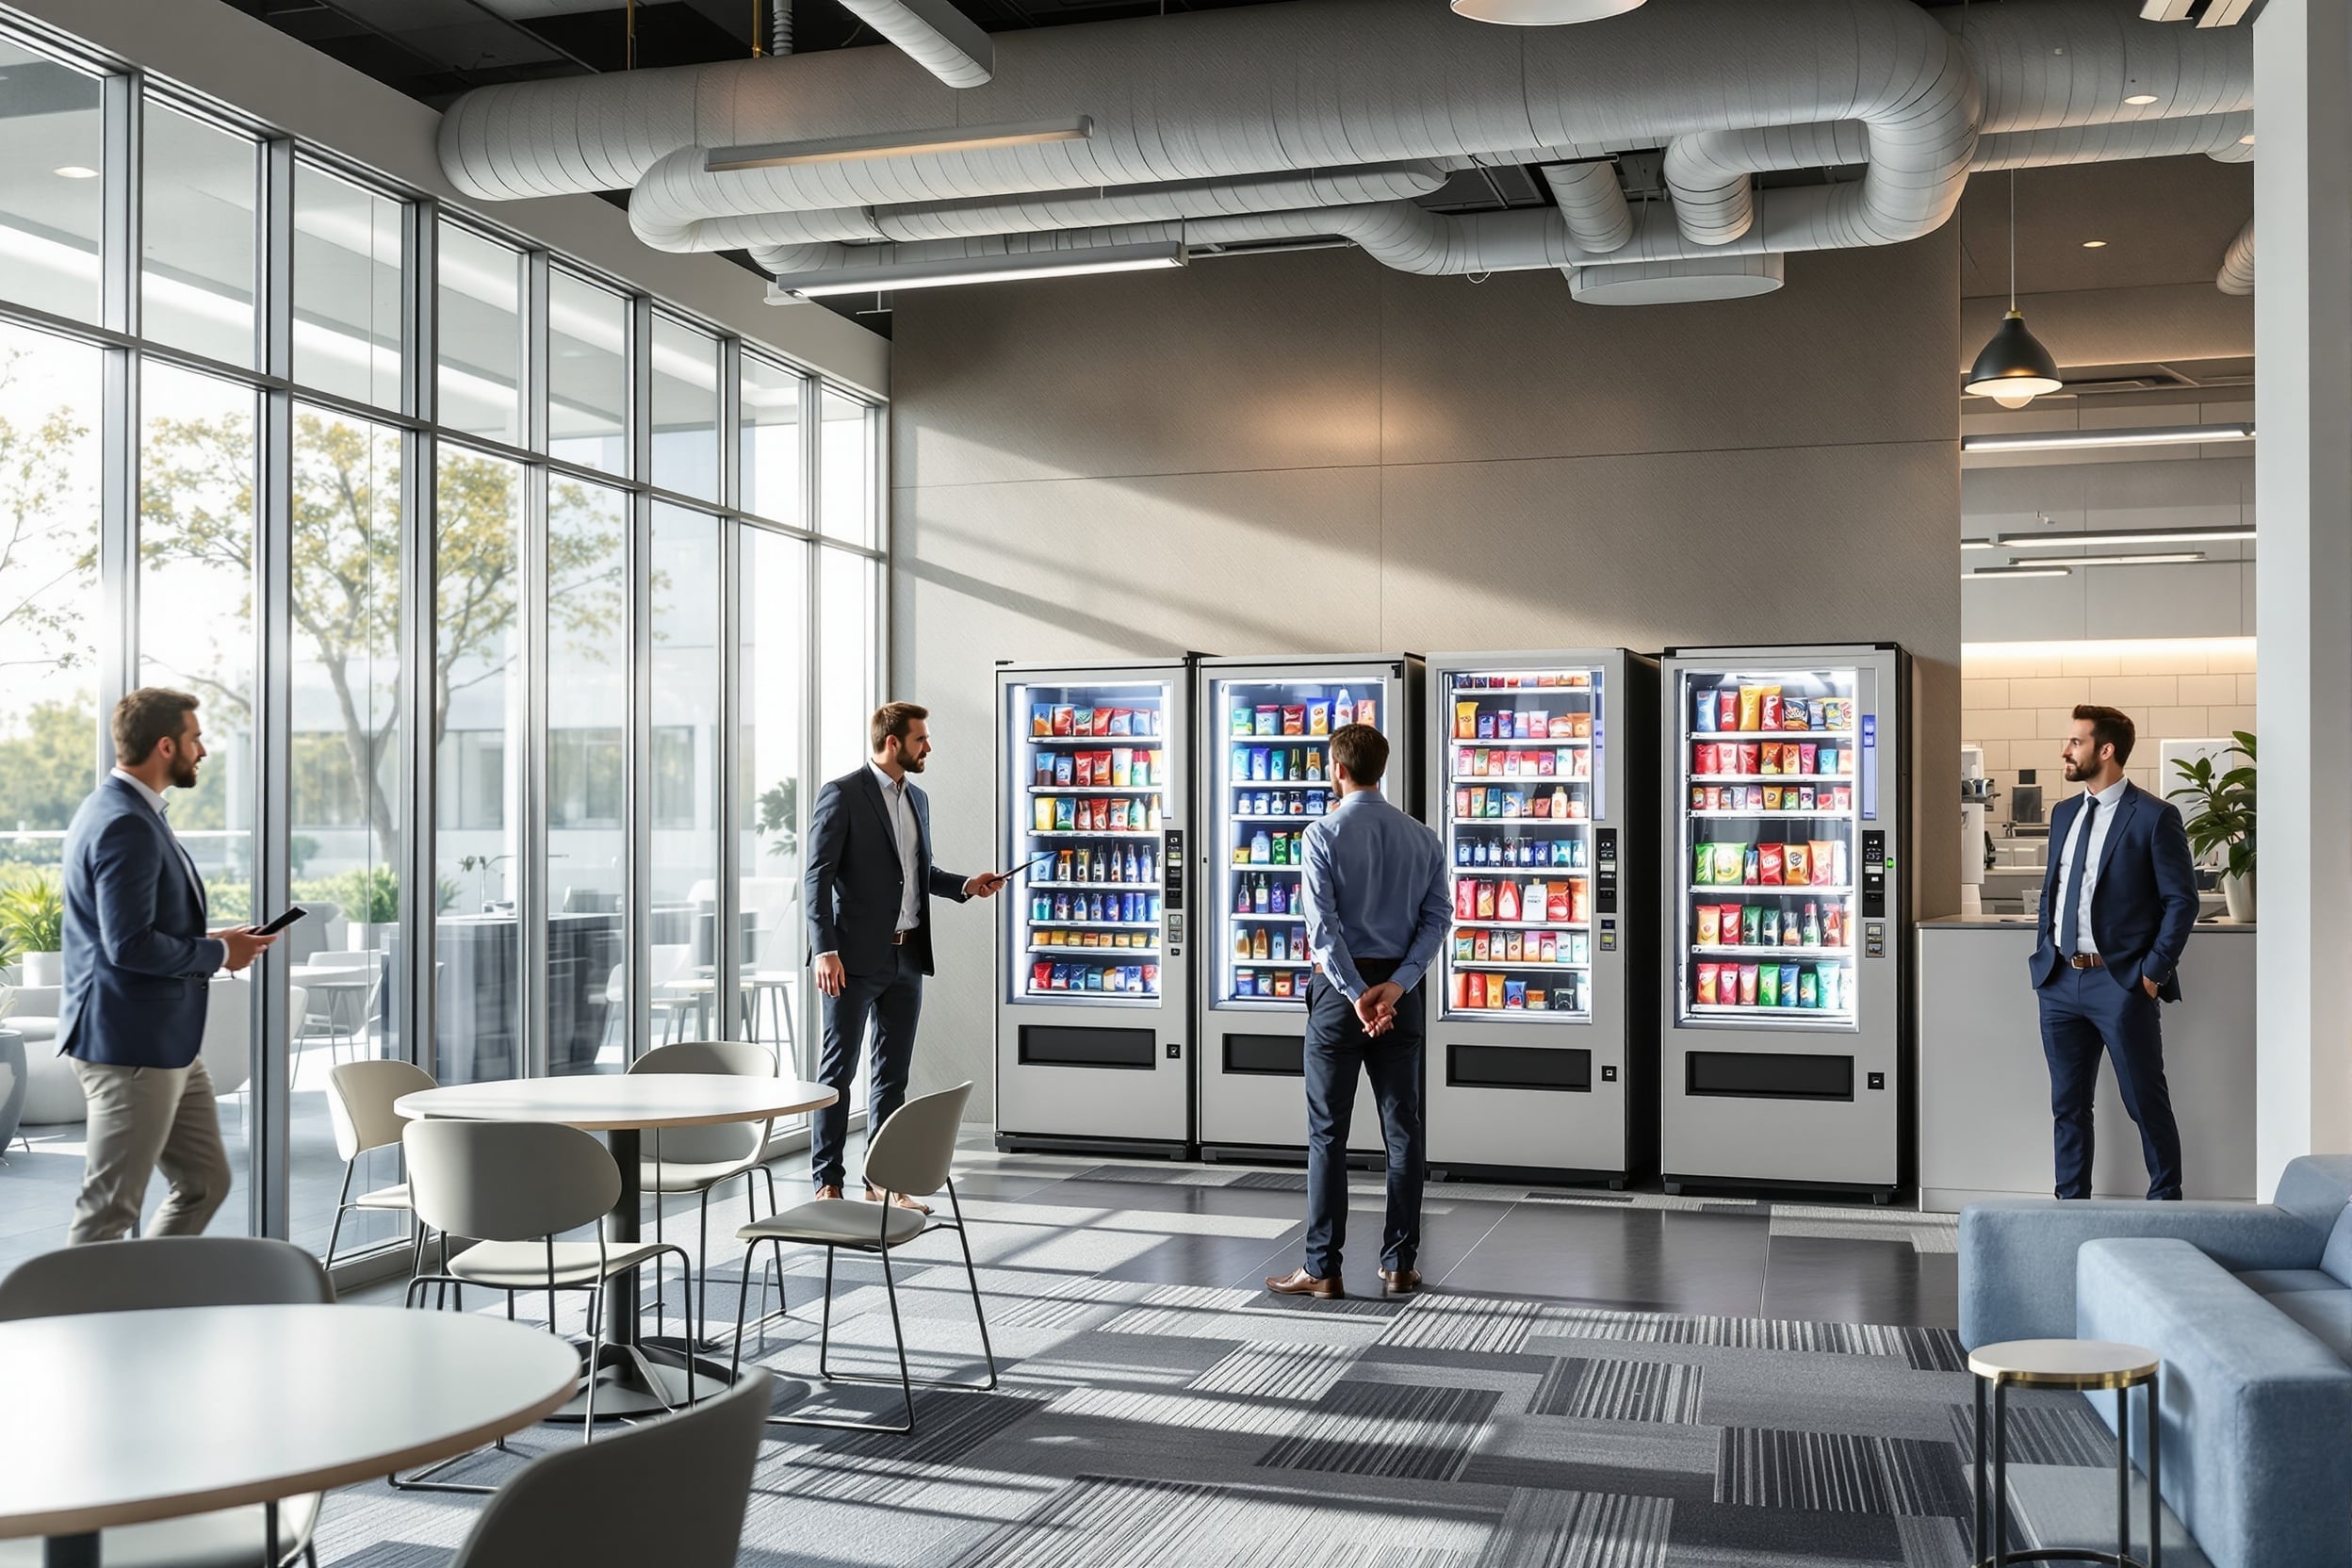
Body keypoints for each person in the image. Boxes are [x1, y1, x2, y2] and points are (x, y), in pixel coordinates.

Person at [58, 689, 278, 1245]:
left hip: (167, 1043)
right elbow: (128, 946)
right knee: (109, 1209)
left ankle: (145, 1295)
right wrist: (221, 954)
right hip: (131, 1048)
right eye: (194, 738)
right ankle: (73, 1325)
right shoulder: (124, 823)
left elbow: (133, 928)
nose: (201, 750)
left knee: (204, 1183)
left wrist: (215, 941)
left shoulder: (126, 811)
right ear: (164, 746)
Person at [1267, 722, 1450, 1300]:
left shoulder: (1320, 834)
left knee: (1328, 1135)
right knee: (1404, 1134)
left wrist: (1356, 994)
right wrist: (1395, 988)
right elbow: (1438, 919)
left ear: (1337, 769)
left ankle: (1322, 1267)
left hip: (1338, 998)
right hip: (1401, 998)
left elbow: (1322, 930)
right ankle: (1399, 1264)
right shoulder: (1424, 838)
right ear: (1382, 768)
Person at [805, 702, 1005, 1208]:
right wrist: (824, 950)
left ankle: (883, 1183)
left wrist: (967, 885)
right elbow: (816, 878)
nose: (928, 748)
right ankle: (828, 1183)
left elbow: (920, 873)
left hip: (906, 959)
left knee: (891, 1077)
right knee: (838, 1074)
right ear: (893, 742)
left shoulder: (919, 799)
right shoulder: (842, 794)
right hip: (849, 961)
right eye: (921, 740)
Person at [2030, 704, 2198, 1201]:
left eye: (2075, 741)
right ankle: (2070, 1207)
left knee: (2143, 1101)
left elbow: (2181, 901)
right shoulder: (2064, 812)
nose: (2065, 749)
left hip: (2120, 983)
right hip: (2059, 979)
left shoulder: (2153, 816)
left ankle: (2166, 1205)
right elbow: (2053, 890)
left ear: (2106, 751)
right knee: (2068, 1105)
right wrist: (2044, 949)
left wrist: (2152, 973)